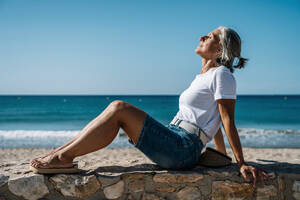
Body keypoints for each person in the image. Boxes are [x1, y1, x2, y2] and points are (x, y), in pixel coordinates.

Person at [30, 26, 268, 188]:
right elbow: (213, 116)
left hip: (182, 148)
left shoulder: (223, 75)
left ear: (220, 50)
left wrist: (240, 162)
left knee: (119, 108)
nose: (201, 37)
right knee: (114, 109)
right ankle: (59, 153)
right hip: (176, 137)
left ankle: (63, 157)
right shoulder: (202, 77)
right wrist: (220, 155)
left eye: (210, 36)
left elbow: (226, 119)